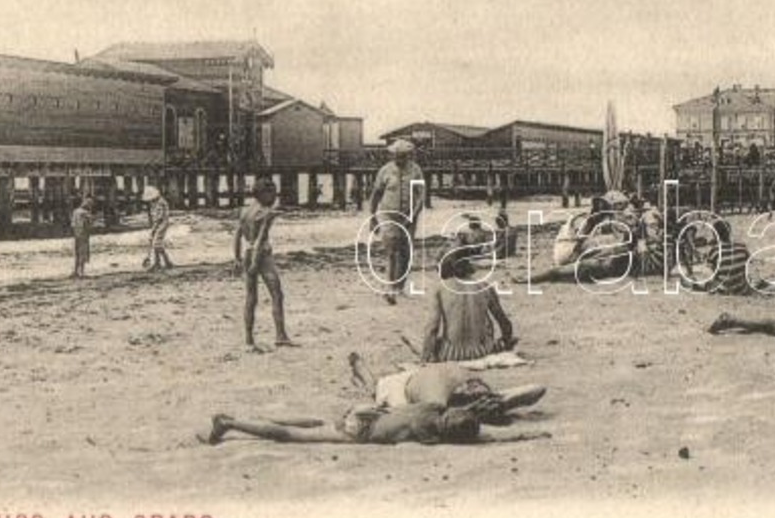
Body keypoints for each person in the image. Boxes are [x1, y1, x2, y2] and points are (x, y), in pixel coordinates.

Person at [202, 359, 547, 446]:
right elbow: (486, 438)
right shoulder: (428, 433)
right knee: (291, 437)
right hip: (360, 432)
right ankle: (231, 422)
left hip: (368, 414)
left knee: (308, 423)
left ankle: (249, 418)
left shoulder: (434, 407)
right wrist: (523, 437)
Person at [422, 237, 517, 363]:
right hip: (482, 351)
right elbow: (504, 322)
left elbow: (432, 327)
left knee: (423, 340)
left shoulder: (439, 288)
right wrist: (506, 341)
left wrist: (426, 357)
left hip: (451, 354)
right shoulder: (484, 286)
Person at [235, 177, 293, 350]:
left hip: (247, 252)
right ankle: (280, 335)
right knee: (277, 295)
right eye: (273, 193)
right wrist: (255, 261)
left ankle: (249, 339)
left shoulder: (244, 211)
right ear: (264, 194)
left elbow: (237, 236)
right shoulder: (266, 212)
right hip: (262, 256)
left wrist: (237, 258)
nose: (275, 197)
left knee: (251, 298)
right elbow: (260, 240)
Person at [369, 139, 427, 304]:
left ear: (408, 155)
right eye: (396, 156)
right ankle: (390, 288)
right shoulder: (385, 171)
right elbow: (376, 194)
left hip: (409, 216)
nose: (399, 159)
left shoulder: (416, 171)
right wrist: (372, 218)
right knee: (392, 250)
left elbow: (421, 196)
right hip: (388, 215)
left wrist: (413, 215)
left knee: (406, 252)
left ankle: (400, 287)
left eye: (402, 156)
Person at [142, 186, 173, 271]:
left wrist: (154, 228)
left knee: (156, 243)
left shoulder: (161, 203)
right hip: (159, 224)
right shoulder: (156, 202)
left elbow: (159, 217)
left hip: (162, 224)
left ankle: (159, 263)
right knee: (157, 244)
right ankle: (165, 262)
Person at [69, 195, 95, 278]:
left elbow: (72, 224)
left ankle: (76, 270)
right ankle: (81, 272)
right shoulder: (86, 213)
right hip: (84, 234)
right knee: (83, 253)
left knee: (77, 253)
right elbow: (90, 224)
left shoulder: (75, 211)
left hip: (77, 234)